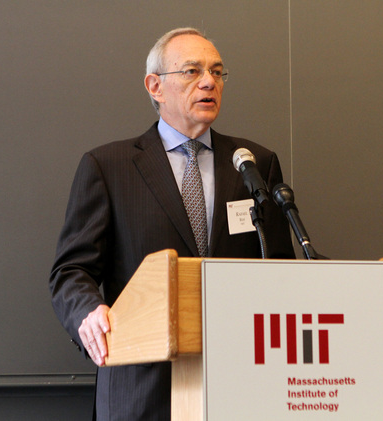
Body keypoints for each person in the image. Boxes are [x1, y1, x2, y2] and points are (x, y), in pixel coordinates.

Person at [49, 27, 295, 420]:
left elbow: (281, 267)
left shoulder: (254, 164)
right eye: (192, 71)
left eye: (217, 72)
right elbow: (71, 270)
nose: (209, 82)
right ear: (155, 86)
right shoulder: (109, 167)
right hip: (142, 390)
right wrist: (88, 313)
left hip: (239, 386)